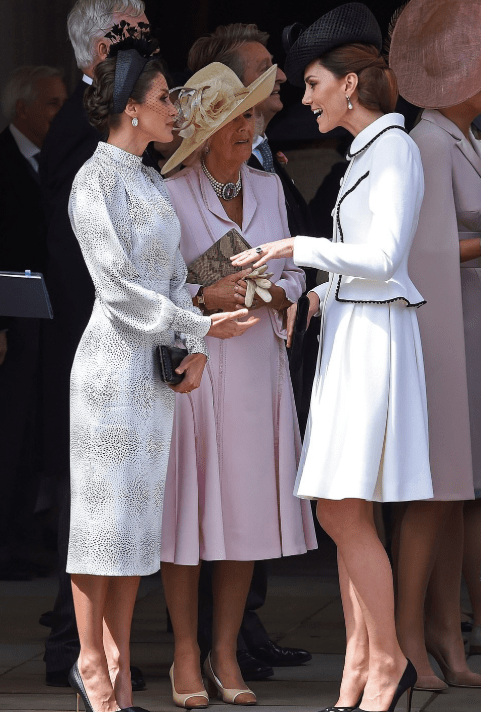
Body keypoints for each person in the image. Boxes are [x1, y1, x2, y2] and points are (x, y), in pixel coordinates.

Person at [233, 4, 434, 712]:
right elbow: (363, 263)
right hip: (354, 335)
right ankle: (361, 662)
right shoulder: (370, 150)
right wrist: (318, 295)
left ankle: (386, 664)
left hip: (375, 345)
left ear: (350, 84)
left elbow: (383, 257)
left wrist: (297, 249)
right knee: (339, 509)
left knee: (345, 511)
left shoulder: (395, 147)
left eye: (314, 83)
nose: (304, 98)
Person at [67, 34, 257, 712]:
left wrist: (194, 346)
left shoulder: (148, 178)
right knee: (99, 524)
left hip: (153, 376)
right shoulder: (92, 180)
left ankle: (116, 667)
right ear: (129, 109)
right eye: (161, 98)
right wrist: (200, 327)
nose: (175, 108)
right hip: (108, 372)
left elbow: (177, 277)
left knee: (134, 529)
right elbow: (116, 289)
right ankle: (93, 666)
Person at [157, 61, 317, 708]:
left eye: (250, 114)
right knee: (188, 514)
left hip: (256, 368)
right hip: (199, 369)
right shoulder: (168, 194)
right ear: (203, 129)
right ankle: (186, 653)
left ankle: (225, 649)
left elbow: (299, 275)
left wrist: (269, 289)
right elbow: (157, 285)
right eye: (233, 117)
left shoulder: (268, 186)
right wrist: (200, 292)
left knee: (244, 513)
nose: (247, 127)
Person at [39, 0, 149, 689]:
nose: (145, 40)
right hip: (96, 337)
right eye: (130, 31)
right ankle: (76, 653)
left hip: (122, 336)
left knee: (118, 501)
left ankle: (107, 658)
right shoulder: (80, 133)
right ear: (100, 50)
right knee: (91, 502)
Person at [389, 0, 481, 691]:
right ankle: (410, 640)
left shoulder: (462, 138)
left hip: (470, 323)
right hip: (443, 331)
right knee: (432, 496)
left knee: (452, 496)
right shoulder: (424, 141)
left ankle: (448, 638)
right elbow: (425, 253)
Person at [0, 65, 67, 581]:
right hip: (13, 318)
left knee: (38, 425)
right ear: (22, 109)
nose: (60, 112)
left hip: (50, 314)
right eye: (50, 102)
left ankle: (28, 531)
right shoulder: (2, 161)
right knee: (11, 428)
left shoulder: (58, 161)